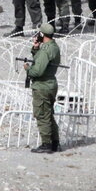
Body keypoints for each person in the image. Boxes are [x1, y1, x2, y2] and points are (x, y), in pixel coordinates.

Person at [23, 23, 61, 153]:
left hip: (42, 86)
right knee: (49, 114)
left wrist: (28, 69)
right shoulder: (54, 47)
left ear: (42, 34)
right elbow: (42, 61)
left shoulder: (45, 50)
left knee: (42, 115)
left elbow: (38, 71)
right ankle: (55, 142)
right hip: (50, 85)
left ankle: (46, 144)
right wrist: (35, 49)